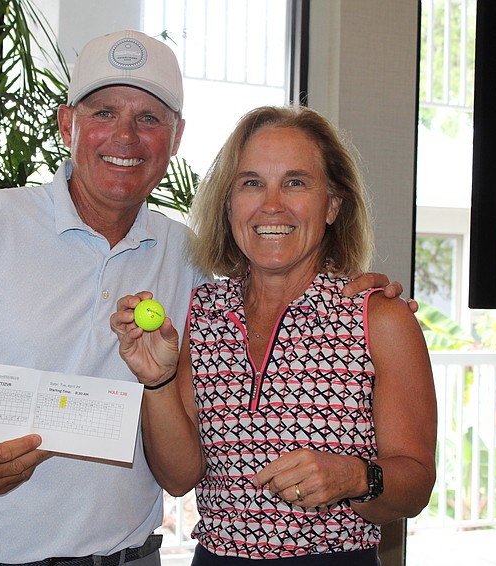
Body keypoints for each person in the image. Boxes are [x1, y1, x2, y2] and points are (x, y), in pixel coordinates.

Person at [0, 29, 411, 566]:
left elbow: (280, 265)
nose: (125, 137)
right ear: (67, 124)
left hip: (127, 556)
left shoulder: (191, 258)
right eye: (103, 113)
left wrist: (358, 286)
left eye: (149, 118)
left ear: (174, 140)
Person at [110, 105, 437, 566]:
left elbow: (416, 484)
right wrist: (157, 381)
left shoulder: (379, 318)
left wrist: (356, 477)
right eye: (251, 183)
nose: (272, 204)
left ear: (332, 205)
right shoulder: (204, 311)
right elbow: (179, 477)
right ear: (228, 205)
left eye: (296, 182)